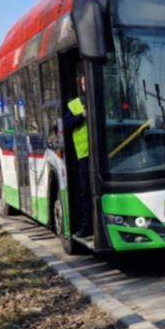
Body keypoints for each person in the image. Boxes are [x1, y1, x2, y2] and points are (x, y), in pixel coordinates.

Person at [64, 84, 90, 236]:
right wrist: (81, 116)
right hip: (84, 155)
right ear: (81, 84)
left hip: (109, 153)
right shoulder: (75, 104)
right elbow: (66, 124)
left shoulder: (107, 97)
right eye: (84, 82)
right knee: (86, 191)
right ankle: (87, 226)